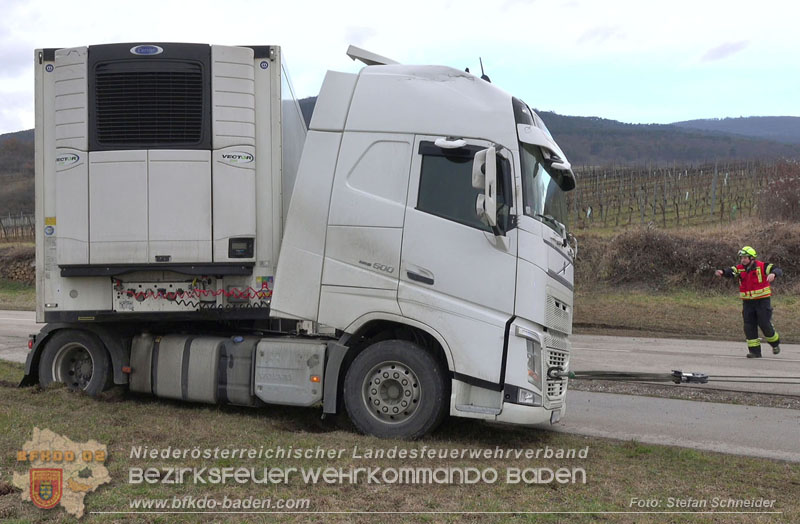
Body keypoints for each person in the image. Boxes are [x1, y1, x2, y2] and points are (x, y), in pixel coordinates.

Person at [715, 246, 782, 358]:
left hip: (762, 302)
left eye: (745, 257)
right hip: (748, 303)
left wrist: (773, 274)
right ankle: (755, 352)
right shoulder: (740, 268)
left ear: (752, 258)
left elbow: (777, 269)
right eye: (742, 258)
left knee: (765, 325)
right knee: (749, 326)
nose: (743, 260)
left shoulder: (762, 266)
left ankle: (775, 344)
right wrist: (722, 272)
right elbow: (731, 271)